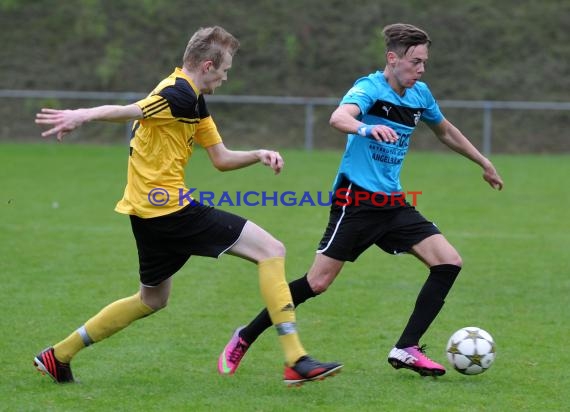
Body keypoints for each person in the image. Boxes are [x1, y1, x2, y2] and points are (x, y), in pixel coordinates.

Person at [33, 26, 342, 387]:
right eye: (225, 70)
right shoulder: (176, 93)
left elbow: (221, 159)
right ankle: (295, 359)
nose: (226, 77)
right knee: (271, 250)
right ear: (208, 65)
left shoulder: (193, 101)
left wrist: (258, 154)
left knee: (151, 299)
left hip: (146, 215)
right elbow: (130, 110)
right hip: (170, 210)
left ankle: (59, 355)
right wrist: (81, 115)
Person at [218, 23, 504, 378]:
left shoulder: (420, 95)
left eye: (424, 62)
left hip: (393, 204)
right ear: (392, 58)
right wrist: (366, 128)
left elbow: (444, 130)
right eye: (415, 62)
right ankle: (245, 336)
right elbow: (339, 117)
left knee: (448, 262)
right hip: (356, 200)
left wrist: (483, 161)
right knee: (317, 283)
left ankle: (406, 347)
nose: (421, 69)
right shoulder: (370, 88)